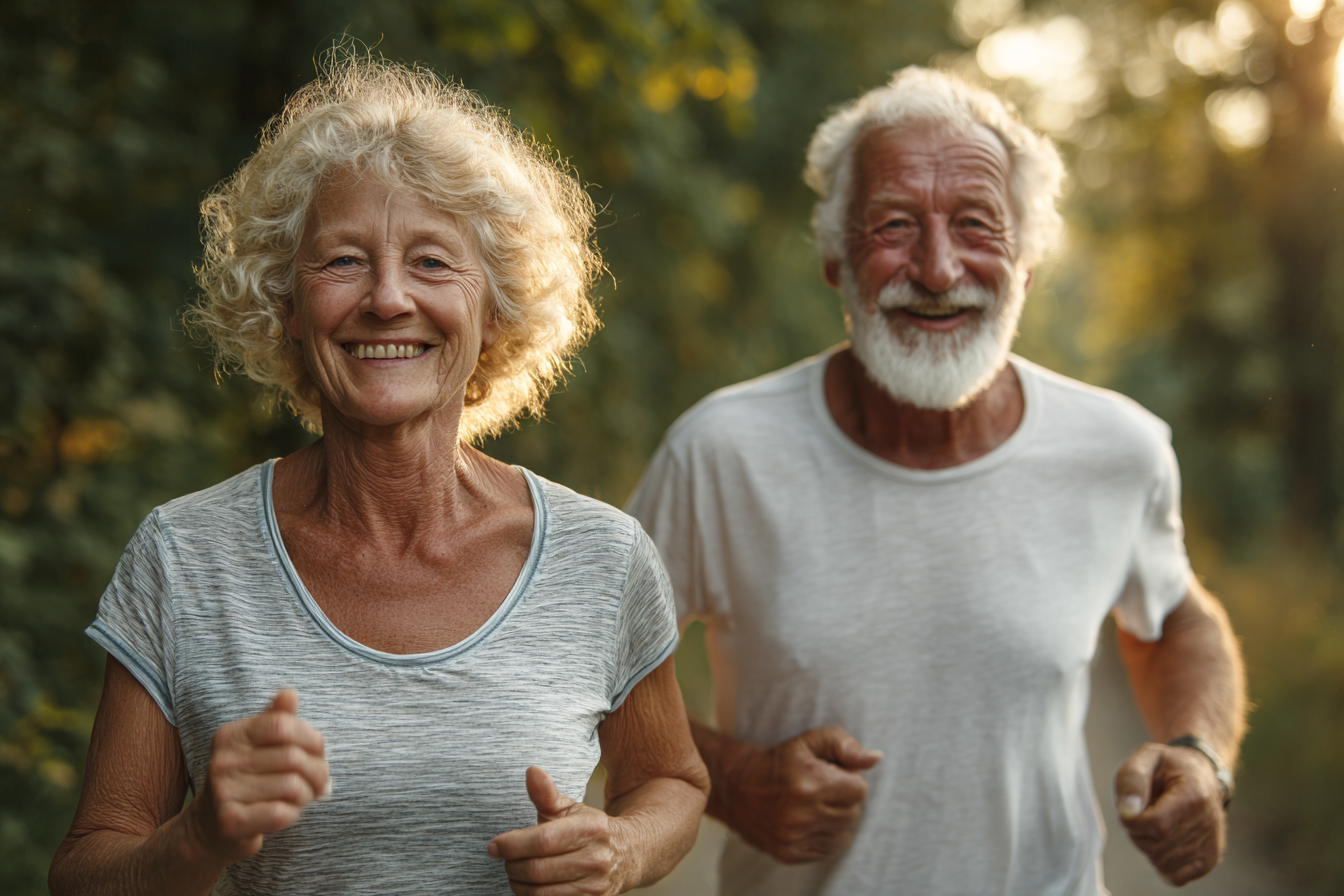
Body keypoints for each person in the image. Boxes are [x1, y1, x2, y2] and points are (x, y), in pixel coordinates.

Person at [49, 56, 709, 896]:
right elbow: (82, 873)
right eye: (343, 262)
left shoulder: (600, 557)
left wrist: (622, 849)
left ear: (494, 307)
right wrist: (199, 836)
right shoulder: (185, 559)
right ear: (284, 304)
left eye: (433, 262)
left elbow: (673, 783)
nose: (388, 298)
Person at [627, 67, 1247, 895]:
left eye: (976, 224)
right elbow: (591, 671)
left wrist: (1203, 757)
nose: (939, 268)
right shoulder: (722, 452)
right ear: (835, 260)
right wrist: (731, 779)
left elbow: (1174, 619)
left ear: (1026, 264)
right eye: (893, 225)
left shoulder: (1120, 449)